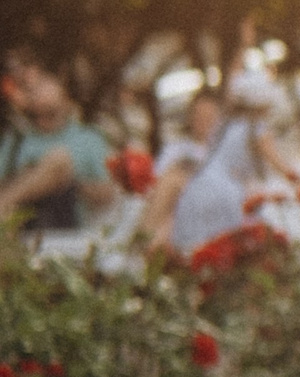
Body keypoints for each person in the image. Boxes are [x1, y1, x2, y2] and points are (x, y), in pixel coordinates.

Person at [171, 66, 300, 254]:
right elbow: (279, 164)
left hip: (199, 184)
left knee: (201, 246)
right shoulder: (258, 128)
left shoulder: (228, 125)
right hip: (226, 190)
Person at [0, 53, 114, 235]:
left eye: (42, 83)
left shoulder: (88, 138)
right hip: (16, 229)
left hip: (64, 230)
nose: (35, 92)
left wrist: (68, 183)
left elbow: (107, 193)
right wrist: (30, 178)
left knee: (59, 160)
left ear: (62, 89)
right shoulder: (16, 140)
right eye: (30, 88)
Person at [140, 89, 226, 249]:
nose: (203, 122)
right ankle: (147, 245)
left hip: (210, 209)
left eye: (209, 117)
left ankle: (143, 246)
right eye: (199, 116)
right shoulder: (174, 149)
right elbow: (156, 186)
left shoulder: (222, 152)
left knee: (178, 185)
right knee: (174, 187)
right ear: (190, 117)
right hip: (175, 209)